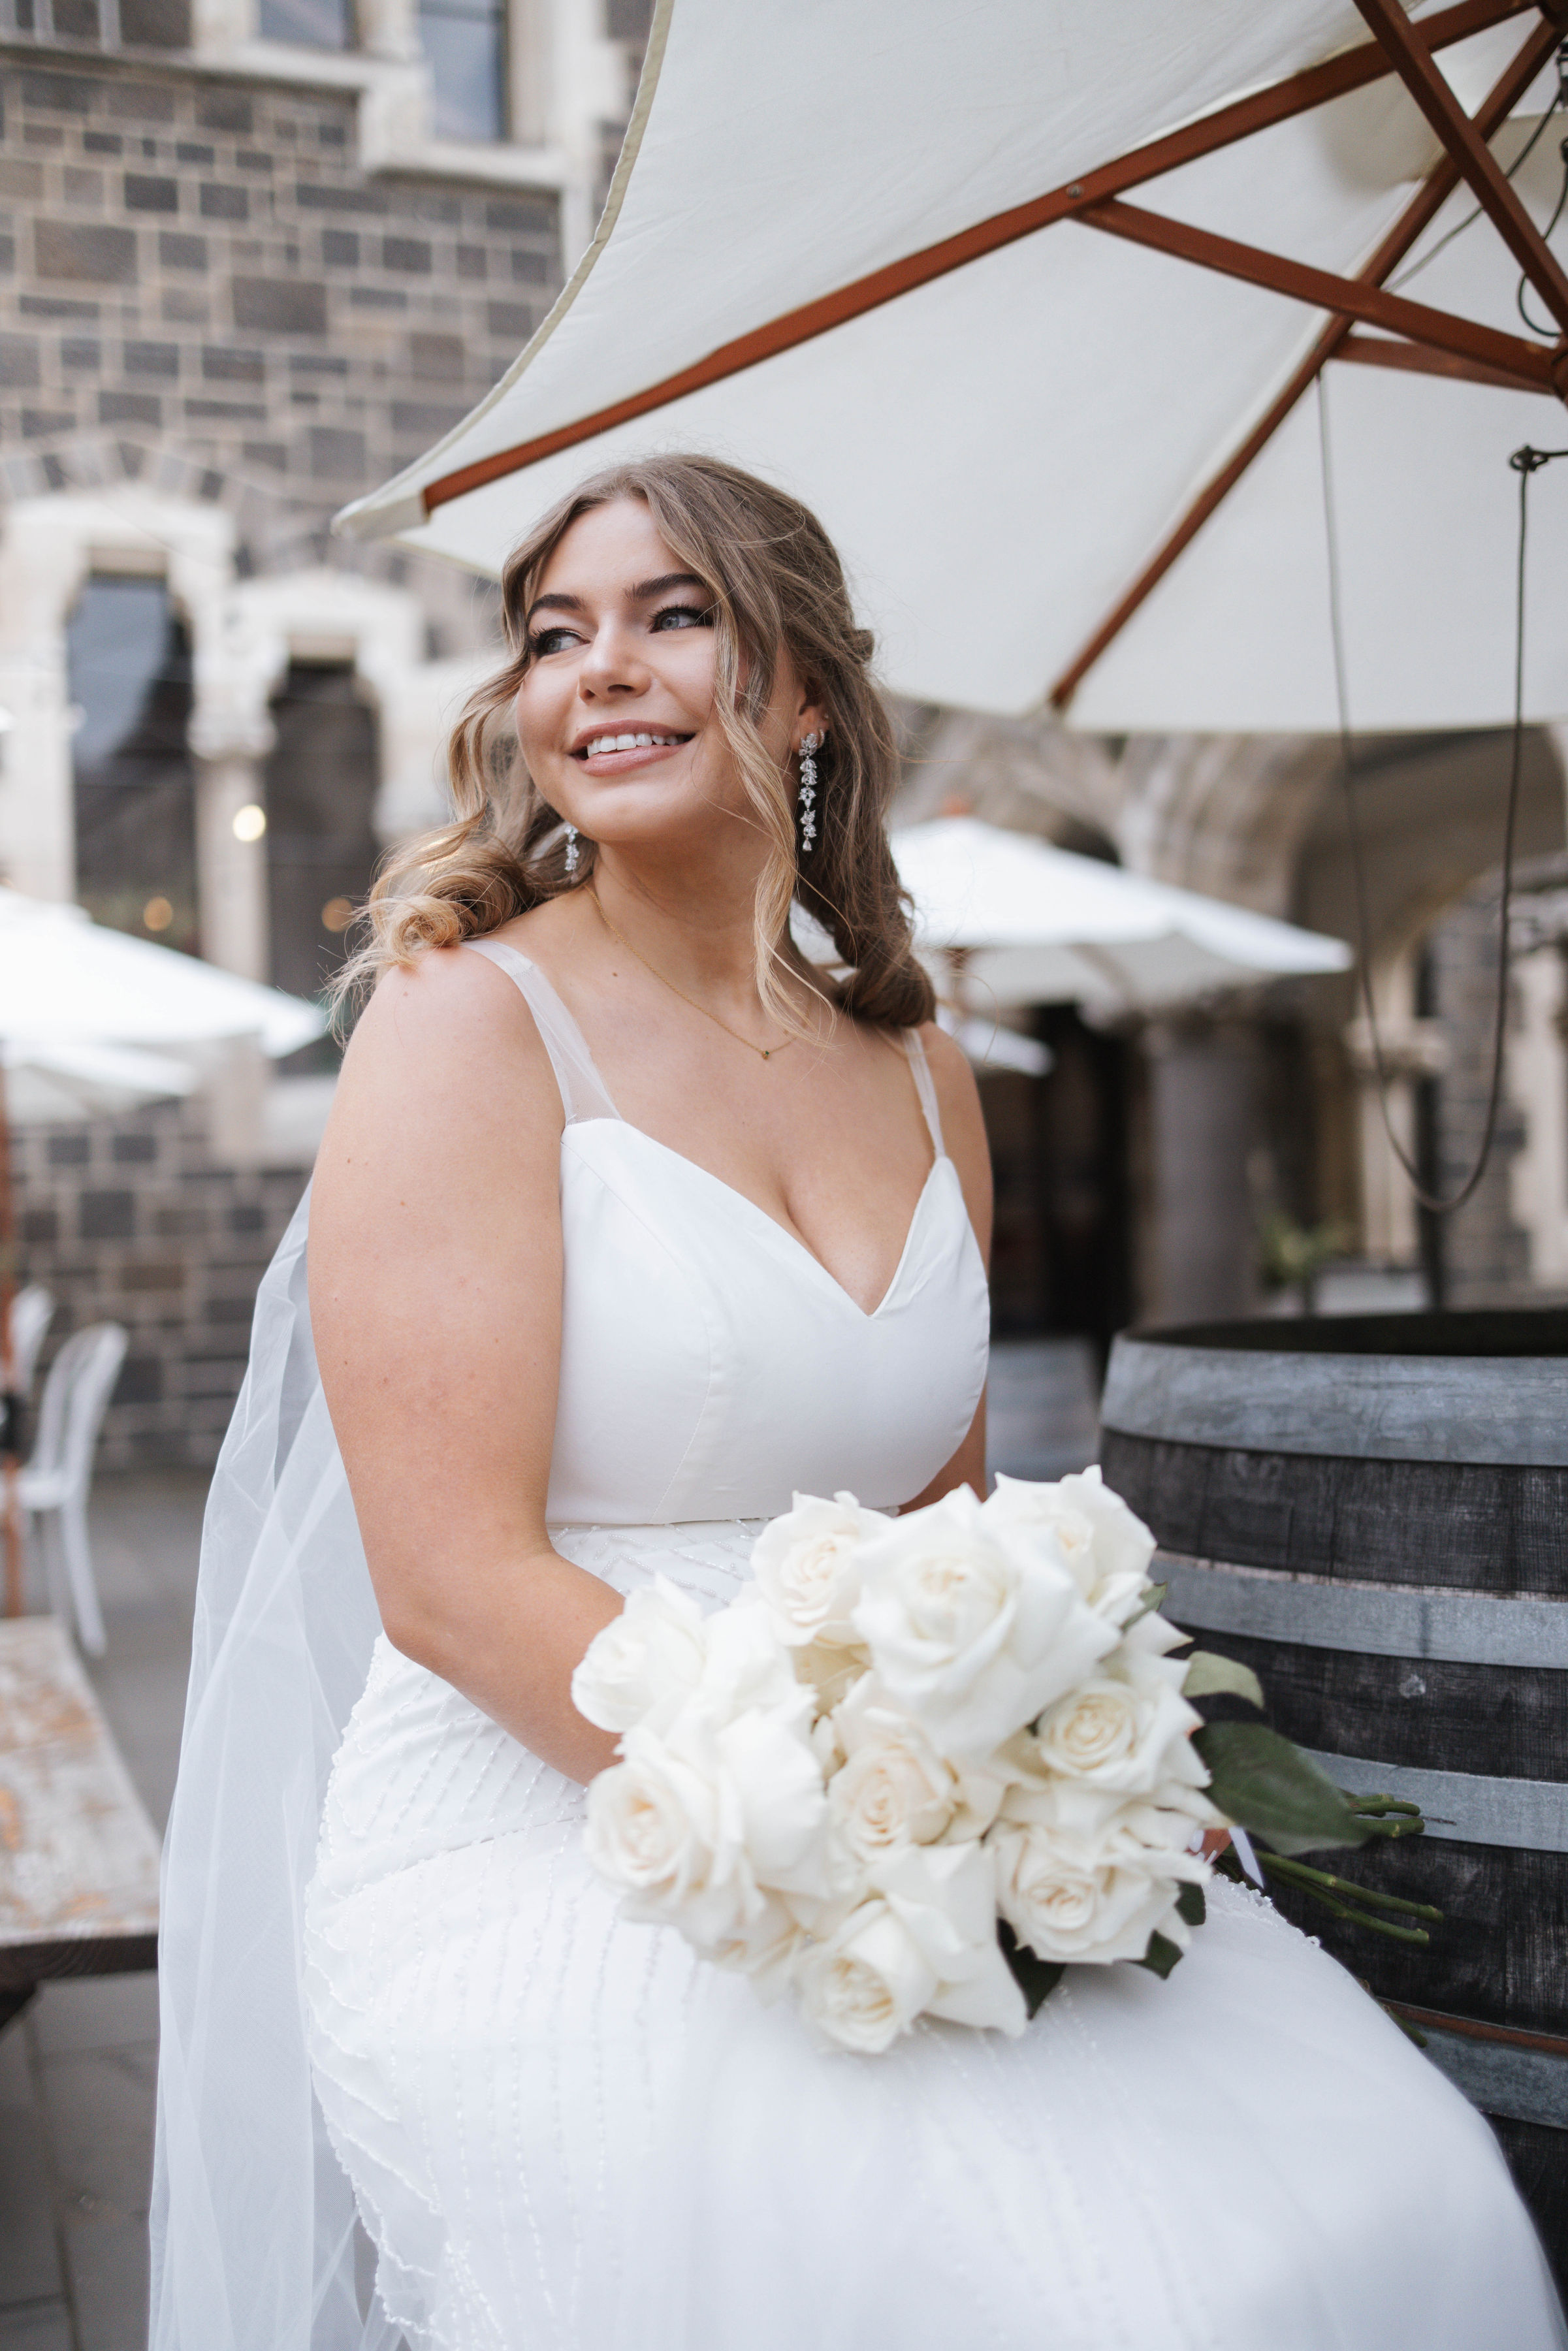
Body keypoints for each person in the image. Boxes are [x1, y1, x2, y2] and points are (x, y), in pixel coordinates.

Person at [150, 455, 1565, 2351]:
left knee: (1389, 2184)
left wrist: (1068, 1756)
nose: (601, 672)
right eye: (556, 635)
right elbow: (449, 1581)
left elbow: (948, 1524)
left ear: (802, 691)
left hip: (917, 1778)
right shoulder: (464, 1022)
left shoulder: (915, 1064)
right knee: (1038, 2285)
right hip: (562, 1801)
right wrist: (842, 1817)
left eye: (674, 616)